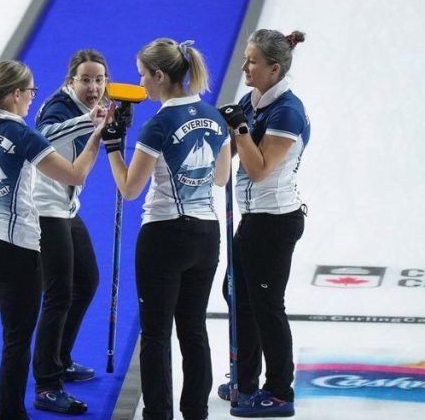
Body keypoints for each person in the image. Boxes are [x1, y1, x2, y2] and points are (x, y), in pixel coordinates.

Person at [0, 60, 108, 420]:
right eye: (30, 91)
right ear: (15, 94)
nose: (33, 97)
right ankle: (10, 413)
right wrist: (97, 135)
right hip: (15, 250)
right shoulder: (24, 137)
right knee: (16, 340)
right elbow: (75, 174)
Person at [101, 38, 231, 420]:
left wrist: (112, 148)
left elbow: (129, 188)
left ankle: (158, 413)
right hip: (206, 235)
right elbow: (221, 177)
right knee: (193, 330)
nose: (141, 84)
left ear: (159, 75)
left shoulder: (157, 125)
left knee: (156, 333)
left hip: (164, 235)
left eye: (143, 76)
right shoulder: (215, 116)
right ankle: (195, 412)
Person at [216, 30, 310, 418]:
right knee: (237, 295)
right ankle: (245, 377)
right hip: (254, 218)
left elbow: (256, 169)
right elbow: (233, 150)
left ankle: (279, 391)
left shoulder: (287, 110)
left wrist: (238, 130)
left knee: (267, 304)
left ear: (274, 68)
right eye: (245, 58)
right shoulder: (251, 100)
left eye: (252, 61)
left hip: (276, 219)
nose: (245, 67)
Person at [30, 49, 109, 415]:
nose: (94, 87)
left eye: (99, 79)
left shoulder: (96, 104)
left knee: (87, 281)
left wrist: (109, 129)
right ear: (70, 81)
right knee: (58, 294)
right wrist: (91, 122)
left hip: (66, 207)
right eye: (86, 80)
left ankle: (60, 358)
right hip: (45, 210)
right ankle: (46, 384)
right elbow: (42, 135)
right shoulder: (58, 106)